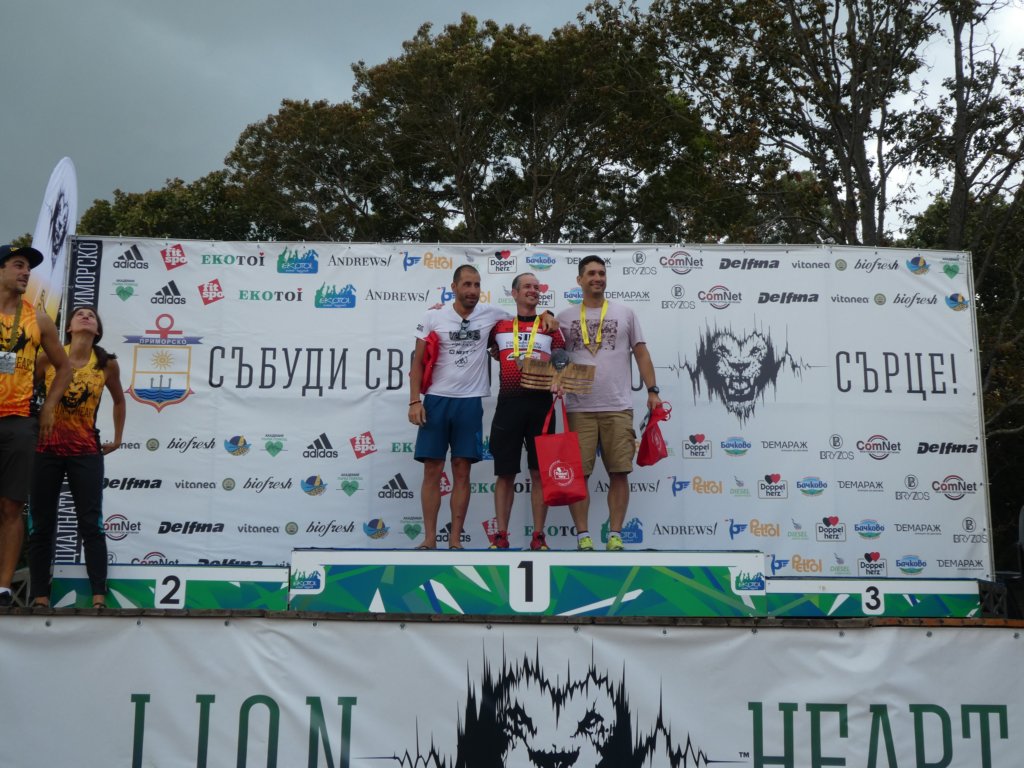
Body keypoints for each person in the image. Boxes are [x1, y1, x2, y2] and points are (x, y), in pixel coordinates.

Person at [407, 264, 557, 550]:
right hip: (437, 399)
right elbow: (417, 362)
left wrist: (548, 313)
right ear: (454, 287)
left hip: (470, 401)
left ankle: (455, 541)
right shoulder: (432, 316)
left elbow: (527, 317)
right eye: (467, 284)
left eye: (477, 285)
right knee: (432, 469)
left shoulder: (492, 315)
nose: (472, 291)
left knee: (462, 470)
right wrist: (415, 400)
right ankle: (429, 539)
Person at [556, 255, 661, 551]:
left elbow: (641, 353)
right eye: (591, 273)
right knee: (579, 476)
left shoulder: (625, 313)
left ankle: (615, 535)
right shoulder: (563, 317)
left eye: (601, 273)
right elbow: (554, 356)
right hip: (579, 407)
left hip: (617, 405)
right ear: (579, 280)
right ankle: (583, 537)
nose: (597, 278)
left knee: (619, 471)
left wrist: (652, 390)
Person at [28, 306, 125, 609]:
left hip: (85, 451)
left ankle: (98, 596)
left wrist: (118, 438)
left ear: (98, 330)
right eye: (79, 314)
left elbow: (119, 401)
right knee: (41, 524)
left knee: (90, 523)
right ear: (68, 327)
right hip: (45, 449)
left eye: (92, 315)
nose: (86, 317)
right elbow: (25, 392)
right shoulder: (48, 356)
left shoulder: (106, 364)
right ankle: (40, 596)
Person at [0, 244, 72, 607]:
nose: (26, 273)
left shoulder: (38, 319)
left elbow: (66, 366)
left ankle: (2, 588)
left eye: (28, 268)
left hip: (18, 421)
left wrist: (49, 408)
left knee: (11, 507)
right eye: (18, 265)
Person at [488, 273, 565, 551]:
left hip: (541, 405)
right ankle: (501, 535)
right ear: (514, 293)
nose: (533, 291)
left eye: (536, 287)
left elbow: (562, 359)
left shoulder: (549, 326)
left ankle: (539, 536)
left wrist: (559, 377)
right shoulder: (499, 326)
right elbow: (485, 344)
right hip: (508, 404)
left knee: (539, 473)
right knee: (505, 473)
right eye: (527, 287)